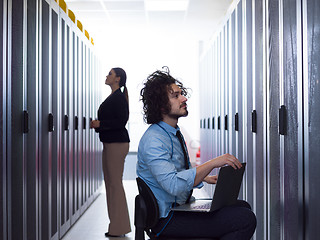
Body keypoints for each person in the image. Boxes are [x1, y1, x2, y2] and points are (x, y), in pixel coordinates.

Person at [136, 67, 256, 239]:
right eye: (176, 96)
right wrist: (213, 163)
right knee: (244, 219)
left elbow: (171, 171)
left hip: (178, 208)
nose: (184, 98)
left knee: (242, 206)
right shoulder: (154, 140)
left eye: (181, 93)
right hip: (167, 219)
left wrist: (203, 176)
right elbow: (173, 185)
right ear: (161, 106)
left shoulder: (171, 132)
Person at [90, 67, 131, 238]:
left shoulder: (119, 97)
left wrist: (101, 124)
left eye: (110, 74)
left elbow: (121, 121)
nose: (106, 76)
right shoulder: (114, 96)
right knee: (111, 184)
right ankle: (115, 225)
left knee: (115, 184)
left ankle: (119, 227)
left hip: (117, 143)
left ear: (117, 79)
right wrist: (100, 126)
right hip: (110, 142)